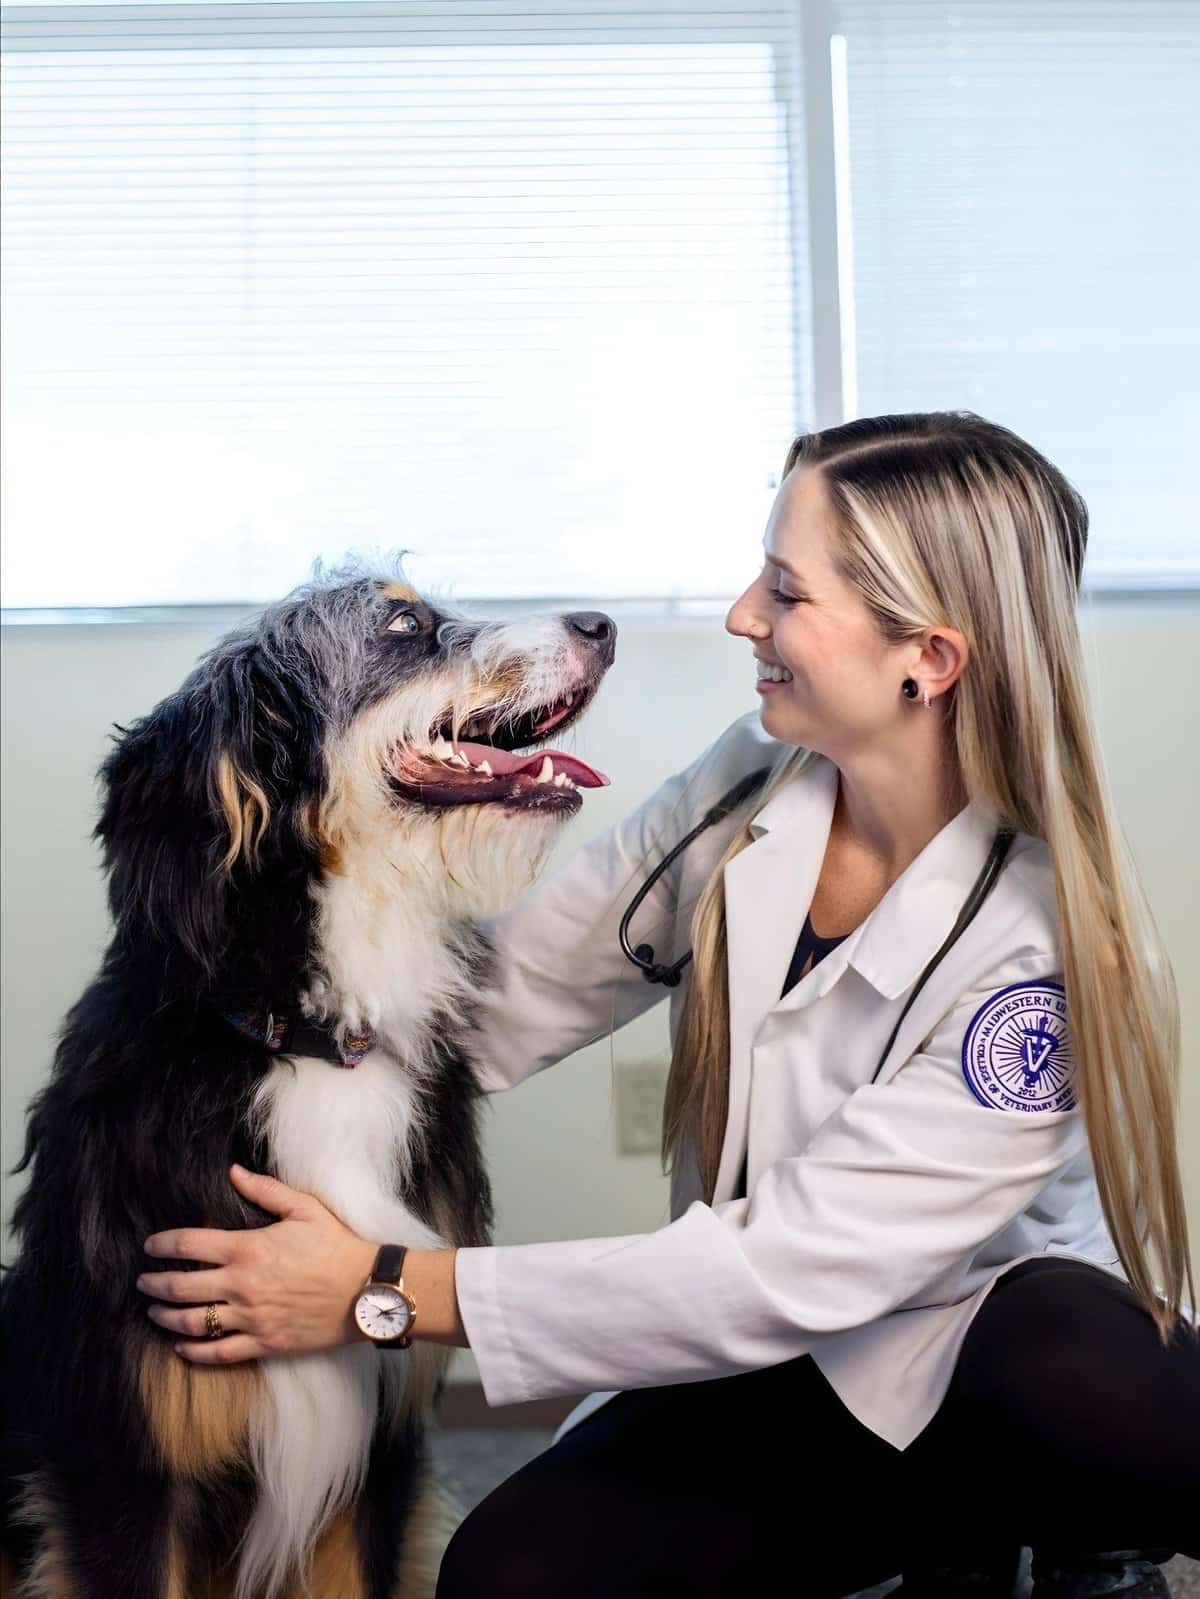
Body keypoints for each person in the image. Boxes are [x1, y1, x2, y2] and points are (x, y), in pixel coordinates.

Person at [136, 412, 1200, 1599]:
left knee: (1084, 1360)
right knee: (508, 1575)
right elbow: (500, 1000)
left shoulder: (1042, 952)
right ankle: (924, 1536)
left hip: (986, 1359)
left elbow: (793, 1265)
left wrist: (380, 1290)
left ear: (930, 659)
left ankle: (1066, 1529)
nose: (745, 617)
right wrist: (249, 1054)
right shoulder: (747, 784)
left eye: (785, 594)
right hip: (785, 1366)